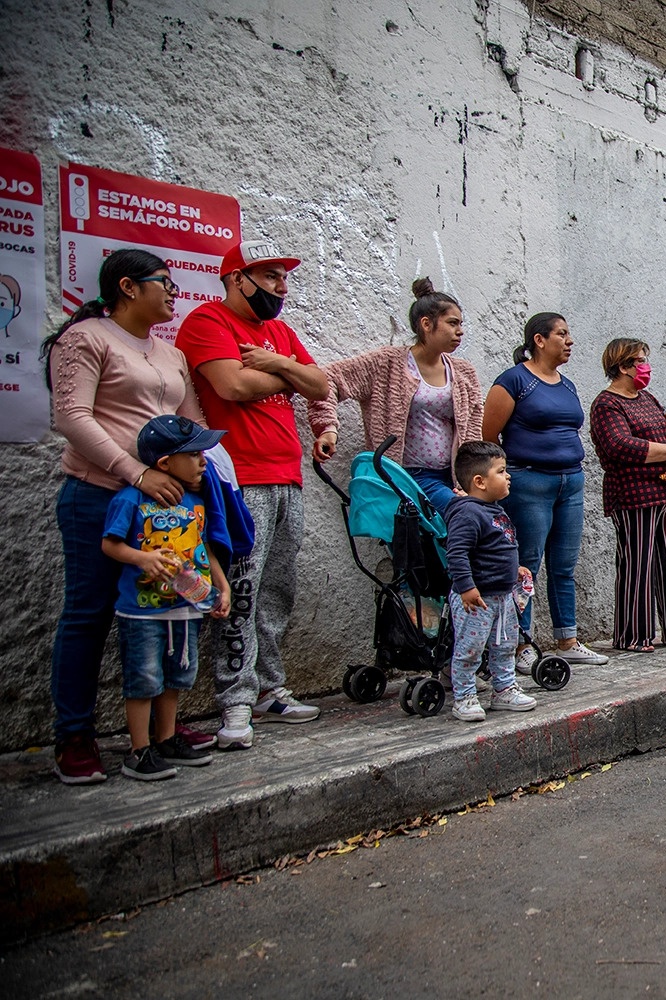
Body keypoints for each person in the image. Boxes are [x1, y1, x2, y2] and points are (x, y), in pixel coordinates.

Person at [44, 249, 212, 784]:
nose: (173, 292)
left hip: (165, 508)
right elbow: (71, 416)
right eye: (163, 282)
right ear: (128, 287)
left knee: (167, 613)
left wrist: (197, 477)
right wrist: (136, 474)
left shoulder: (169, 353)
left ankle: (161, 735)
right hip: (99, 495)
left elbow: (191, 423)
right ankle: (75, 736)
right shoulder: (87, 338)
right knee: (88, 614)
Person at [176, 238, 334, 750]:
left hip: (288, 473)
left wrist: (273, 361)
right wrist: (281, 368)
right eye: (269, 277)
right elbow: (231, 387)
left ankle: (269, 687)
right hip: (241, 478)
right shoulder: (207, 323)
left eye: (284, 279)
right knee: (240, 592)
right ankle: (235, 702)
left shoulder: (278, 332)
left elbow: (319, 384)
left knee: (276, 590)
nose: (280, 287)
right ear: (236, 278)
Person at [100, 416, 232, 779]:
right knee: (143, 680)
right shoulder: (131, 499)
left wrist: (223, 586)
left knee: (176, 678)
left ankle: (167, 738)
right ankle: (139, 751)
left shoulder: (196, 501)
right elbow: (109, 544)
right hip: (142, 613)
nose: (204, 461)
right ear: (165, 463)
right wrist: (143, 558)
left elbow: (204, 547)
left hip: (185, 609)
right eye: (194, 455)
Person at [482, 312, 609, 670]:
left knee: (564, 565)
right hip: (529, 483)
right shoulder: (513, 381)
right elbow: (489, 437)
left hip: (571, 481)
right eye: (562, 334)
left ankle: (567, 639)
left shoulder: (566, 385)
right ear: (539, 340)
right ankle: (521, 645)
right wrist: (509, 478)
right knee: (526, 566)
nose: (569, 341)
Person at [309, 278, 483, 514]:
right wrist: (327, 427)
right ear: (426, 324)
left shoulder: (464, 373)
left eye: (461, 324)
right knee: (462, 519)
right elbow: (327, 379)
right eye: (452, 323)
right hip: (402, 477)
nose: (460, 331)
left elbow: (472, 432)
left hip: (451, 480)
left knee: (466, 530)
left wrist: (471, 482)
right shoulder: (386, 364)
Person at [588, 338, 666, 652]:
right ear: (622, 366)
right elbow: (621, 445)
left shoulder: (647, 398)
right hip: (632, 496)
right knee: (636, 566)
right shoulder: (607, 404)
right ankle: (632, 636)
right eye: (639, 361)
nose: (645, 367)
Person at [444, 442, 537, 720]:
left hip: (502, 597)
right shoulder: (468, 513)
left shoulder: (495, 510)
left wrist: (516, 568)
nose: (508, 476)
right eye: (502, 471)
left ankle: (504, 689)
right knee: (470, 649)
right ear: (479, 481)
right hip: (478, 599)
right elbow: (457, 552)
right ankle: (464, 696)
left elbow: (500, 545)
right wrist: (467, 588)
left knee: (505, 646)